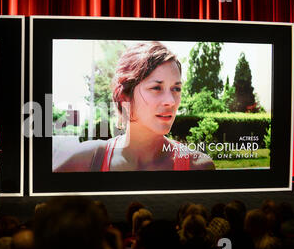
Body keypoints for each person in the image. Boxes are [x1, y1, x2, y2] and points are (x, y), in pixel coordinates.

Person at [54, 42, 214, 172]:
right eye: (156, 88)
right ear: (125, 96)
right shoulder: (85, 160)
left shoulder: (199, 166)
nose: (171, 101)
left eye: (176, 89)